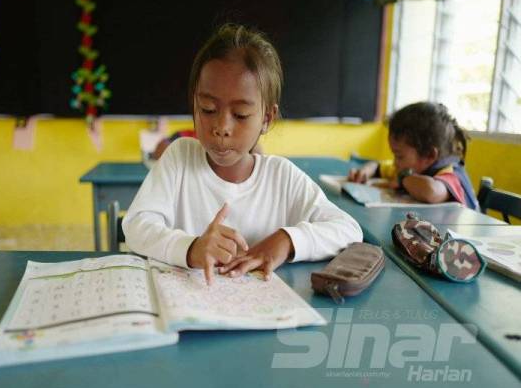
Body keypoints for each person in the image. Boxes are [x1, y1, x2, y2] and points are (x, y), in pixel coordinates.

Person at [123, 23, 362, 284]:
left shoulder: (282, 178)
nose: (222, 128)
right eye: (207, 109)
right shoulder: (179, 158)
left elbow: (348, 230)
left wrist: (286, 240)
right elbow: (136, 227)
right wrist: (191, 248)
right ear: (194, 103)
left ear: (267, 118)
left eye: (240, 115)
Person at [348, 102, 479, 210]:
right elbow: (377, 166)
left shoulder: (451, 173)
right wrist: (364, 172)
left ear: (429, 155)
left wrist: (402, 179)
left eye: (399, 156)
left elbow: (431, 192)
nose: (395, 163)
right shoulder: (411, 167)